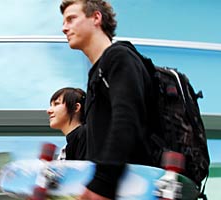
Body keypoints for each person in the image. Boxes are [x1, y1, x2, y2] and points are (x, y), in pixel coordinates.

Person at [60, 0, 158, 199]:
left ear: (96, 17)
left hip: (132, 189)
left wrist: (103, 183)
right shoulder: (96, 74)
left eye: (71, 19)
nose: (64, 28)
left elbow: (127, 119)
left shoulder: (119, 57)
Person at [46, 87, 87, 161]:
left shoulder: (86, 136)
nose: (48, 110)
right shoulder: (69, 146)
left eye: (56, 104)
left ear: (76, 107)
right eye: (51, 105)